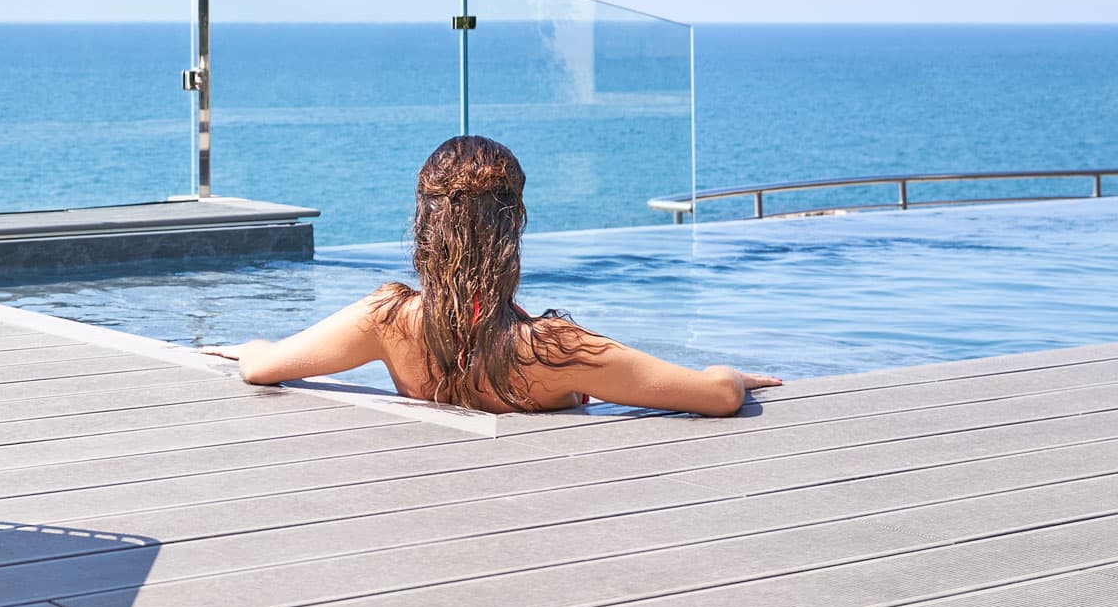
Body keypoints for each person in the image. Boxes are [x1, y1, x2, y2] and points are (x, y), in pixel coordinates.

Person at [204, 134, 781, 417]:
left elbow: (262, 367)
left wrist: (250, 345)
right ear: (513, 225)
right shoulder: (554, 349)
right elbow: (719, 398)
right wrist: (725, 372)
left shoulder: (386, 320)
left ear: (426, 222)